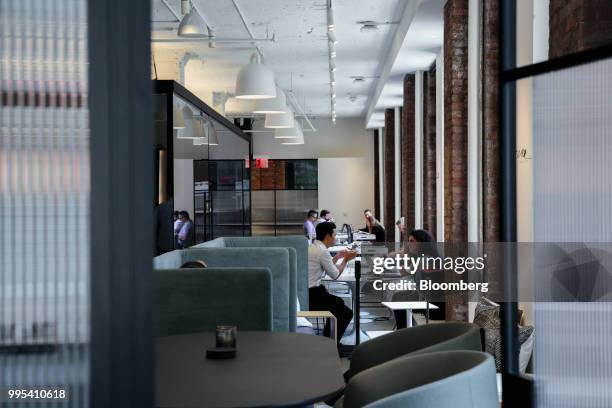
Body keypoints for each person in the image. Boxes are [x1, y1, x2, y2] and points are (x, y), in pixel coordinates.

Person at [308, 222, 357, 343]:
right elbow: (335, 275)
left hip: (311, 292)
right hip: (313, 294)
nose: (335, 237)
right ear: (327, 236)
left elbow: (324, 270)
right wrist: (346, 260)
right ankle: (330, 343)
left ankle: (328, 340)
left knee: (338, 303)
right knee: (346, 313)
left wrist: (338, 257)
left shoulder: (315, 247)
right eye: (334, 235)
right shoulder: (322, 251)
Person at [392, 229, 446, 328]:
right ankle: (404, 330)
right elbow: (410, 275)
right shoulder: (422, 258)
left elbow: (425, 282)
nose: (409, 244)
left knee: (398, 299)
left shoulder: (427, 259)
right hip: (425, 297)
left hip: (434, 305)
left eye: (412, 241)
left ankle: (403, 331)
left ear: (421, 242)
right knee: (397, 296)